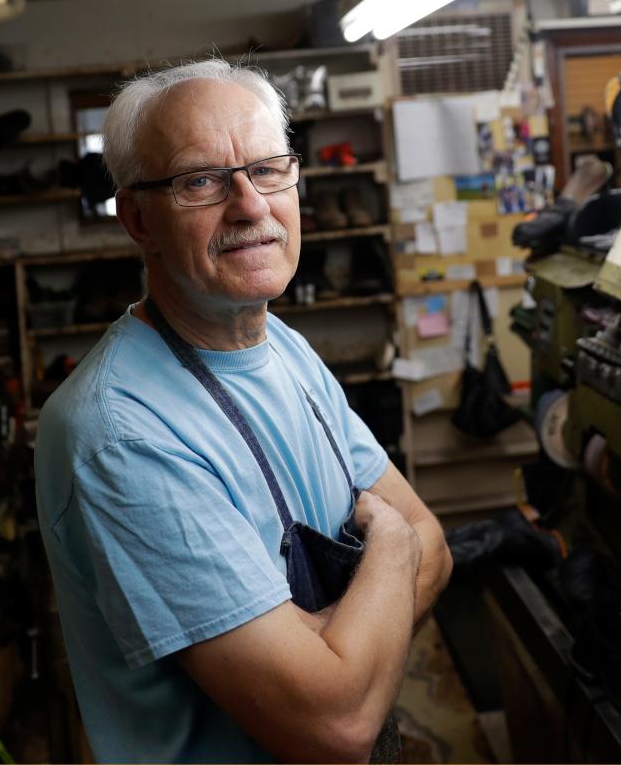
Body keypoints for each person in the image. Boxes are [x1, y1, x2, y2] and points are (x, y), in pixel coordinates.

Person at [35, 59, 452, 763]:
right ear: (138, 217)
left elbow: (438, 548)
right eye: (200, 179)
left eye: (268, 168)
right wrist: (391, 544)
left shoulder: (283, 347)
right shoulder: (122, 431)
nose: (251, 204)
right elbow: (337, 724)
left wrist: (340, 648)